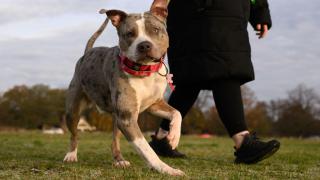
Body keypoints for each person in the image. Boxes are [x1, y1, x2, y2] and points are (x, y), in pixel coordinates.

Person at [149, 0, 280, 164]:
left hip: (228, 12)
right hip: (196, 11)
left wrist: (260, 11)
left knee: (193, 79)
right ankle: (242, 141)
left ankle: (162, 138)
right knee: (221, 69)